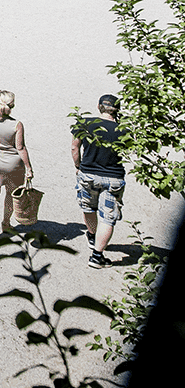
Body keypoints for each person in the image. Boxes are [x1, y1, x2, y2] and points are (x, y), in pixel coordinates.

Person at [73, 93, 125, 269]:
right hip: (113, 177)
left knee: (88, 207)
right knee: (107, 217)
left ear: (98, 106)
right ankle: (97, 256)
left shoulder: (85, 124)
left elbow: (75, 146)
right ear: (117, 110)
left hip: (88, 174)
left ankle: (92, 235)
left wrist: (78, 165)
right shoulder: (124, 130)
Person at [0, 89, 34, 241]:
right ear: (12, 105)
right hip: (12, 165)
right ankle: (6, 223)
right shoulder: (17, 125)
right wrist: (28, 167)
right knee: (10, 193)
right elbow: (20, 148)